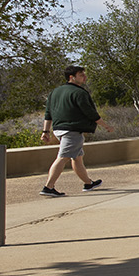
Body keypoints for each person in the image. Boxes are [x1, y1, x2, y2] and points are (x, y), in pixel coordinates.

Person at [40, 65, 106, 196]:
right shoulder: (79, 93)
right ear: (72, 77)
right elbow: (90, 113)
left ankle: (88, 183)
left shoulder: (54, 92)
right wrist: (106, 126)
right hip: (72, 131)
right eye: (81, 75)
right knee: (63, 157)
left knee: (77, 158)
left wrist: (45, 132)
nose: (85, 77)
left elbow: (48, 114)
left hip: (58, 130)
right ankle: (48, 187)